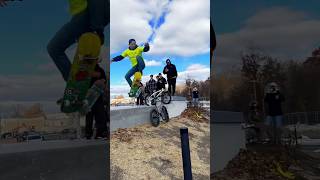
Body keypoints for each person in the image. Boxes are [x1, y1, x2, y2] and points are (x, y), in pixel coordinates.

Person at [47, 0, 109, 82]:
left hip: (88, 13)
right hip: (85, 15)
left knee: (54, 48)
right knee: (86, 55)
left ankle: (74, 82)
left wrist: (97, 28)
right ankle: (89, 82)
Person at [85, 63, 108, 139]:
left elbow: (104, 81)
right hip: (88, 96)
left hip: (98, 96)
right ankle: (88, 134)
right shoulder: (85, 69)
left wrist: (101, 81)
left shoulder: (100, 70)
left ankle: (101, 133)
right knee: (89, 115)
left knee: (100, 115)